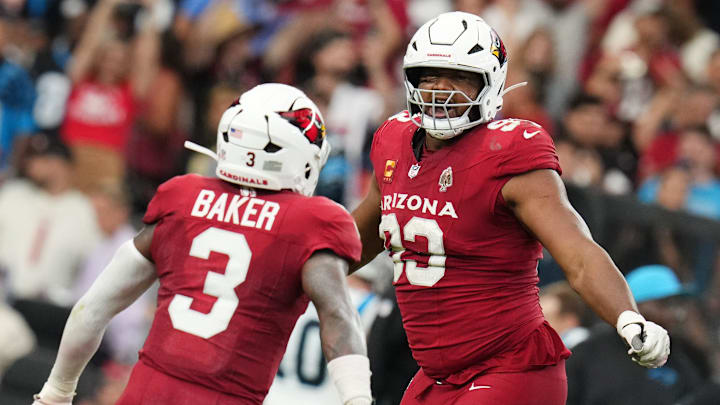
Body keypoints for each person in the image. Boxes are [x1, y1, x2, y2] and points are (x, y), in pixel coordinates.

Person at [350, 11, 670, 405]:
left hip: (509, 368)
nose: (441, 90)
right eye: (430, 75)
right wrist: (294, 272)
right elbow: (359, 238)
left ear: (490, 83)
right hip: (437, 376)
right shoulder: (393, 141)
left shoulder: (509, 151)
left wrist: (627, 317)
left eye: (460, 78)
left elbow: (578, 252)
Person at [32, 83, 373, 405]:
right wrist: (358, 399)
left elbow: (92, 308)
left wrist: (56, 392)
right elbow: (339, 316)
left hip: (146, 389)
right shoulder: (311, 221)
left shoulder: (182, 197)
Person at [566, 265, 710, 405]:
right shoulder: (589, 352)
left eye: (677, 305)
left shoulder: (682, 355)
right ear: (634, 305)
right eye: (665, 304)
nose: (675, 314)